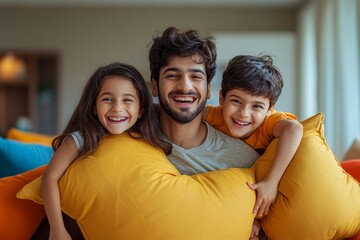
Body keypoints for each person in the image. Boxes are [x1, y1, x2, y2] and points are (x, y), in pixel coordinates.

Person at [41, 62, 171, 240]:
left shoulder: (148, 137)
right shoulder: (80, 139)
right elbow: (49, 177)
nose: (117, 108)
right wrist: (57, 228)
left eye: (127, 100)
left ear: (140, 109)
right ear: (94, 106)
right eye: (107, 99)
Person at [202, 54, 303, 239]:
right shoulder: (214, 115)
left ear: (269, 109)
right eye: (236, 101)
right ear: (222, 98)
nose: (243, 114)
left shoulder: (268, 123)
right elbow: (185, 115)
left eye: (256, 106)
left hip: (268, 197)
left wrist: (271, 183)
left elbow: (294, 129)